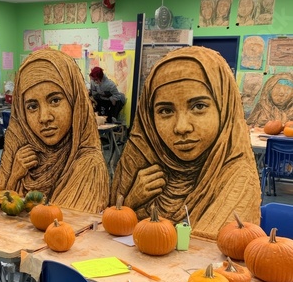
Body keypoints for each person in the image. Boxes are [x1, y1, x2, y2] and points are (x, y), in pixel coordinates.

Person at [111, 46, 261, 241]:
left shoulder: (236, 179)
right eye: (165, 111)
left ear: (223, 108)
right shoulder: (141, 160)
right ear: (149, 118)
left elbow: (210, 254)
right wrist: (131, 199)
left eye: (199, 106)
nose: (182, 127)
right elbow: (111, 227)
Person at [0, 48, 110, 214]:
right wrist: (14, 175)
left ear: (74, 101)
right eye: (32, 107)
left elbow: (58, 225)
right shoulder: (21, 155)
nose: (44, 117)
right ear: (22, 111)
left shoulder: (88, 166)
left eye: (55, 100)